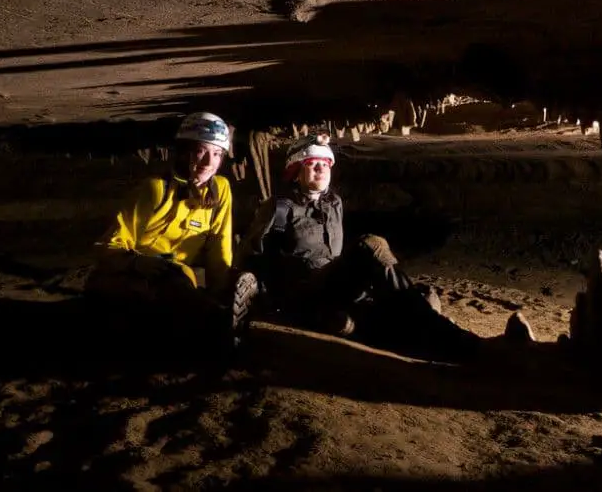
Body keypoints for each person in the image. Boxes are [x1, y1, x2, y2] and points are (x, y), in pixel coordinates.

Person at [235, 132, 534, 363]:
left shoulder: (333, 204)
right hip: (304, 290)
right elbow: (252, 255)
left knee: (420, 298)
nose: (319, 170)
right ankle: (466, 344)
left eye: (324, 164)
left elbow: (338, 258)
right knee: (371, 244)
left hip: (336, 288)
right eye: (311, 165)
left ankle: (467, 348)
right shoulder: (278, 208)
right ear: (296, 171)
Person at [84, 112, 256, 350]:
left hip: (183, 277)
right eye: (201, 152)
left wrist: (221, 290)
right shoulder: (156, 190)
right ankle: (214, 324)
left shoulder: (220, 189)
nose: (208, 163)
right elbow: (105, 247)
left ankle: (221, 318)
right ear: (185, 151)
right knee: (173, 291)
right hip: (135, 275)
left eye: (217, 154)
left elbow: (220, 245)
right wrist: (136, 263)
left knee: (205, 284)